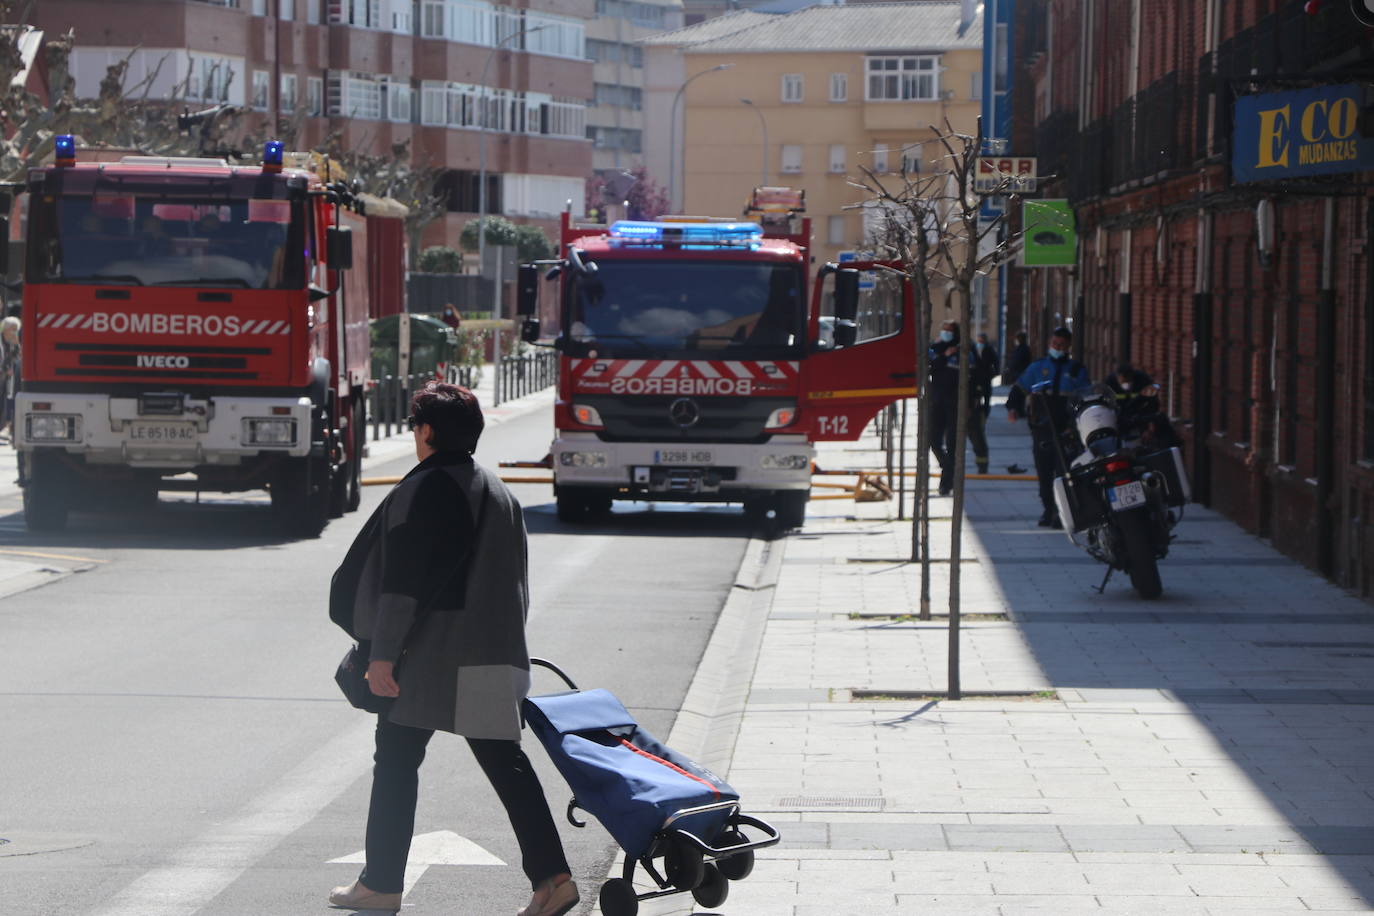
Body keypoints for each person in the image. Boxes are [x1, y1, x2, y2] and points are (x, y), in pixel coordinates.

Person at [328, 382, 578, 916]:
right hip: (489, 652)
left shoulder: (428, 489)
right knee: (505, 763)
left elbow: (404, 582)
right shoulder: (496, 489)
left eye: (416, 426)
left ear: (426, 431)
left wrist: (381, 654)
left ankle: (381, 884)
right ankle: (553, 878)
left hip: (430, 657)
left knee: (395, 759)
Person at [1006, 326, 1091, 528]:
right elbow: (1019, 388)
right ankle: (1048, 510)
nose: (1057, 347)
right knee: (1044, 472)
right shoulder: (1038, 367)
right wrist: (1012, 407)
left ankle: (1063, 513)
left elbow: (1085, 397)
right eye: (1054, 344)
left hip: (1067, 428)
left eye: (1061, 345)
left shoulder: (1077, 370)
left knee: (1064, 472)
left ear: (1068, 346)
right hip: (1042, 426)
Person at [927, 320, 984, 495]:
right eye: (944, 330)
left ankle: (946, 482)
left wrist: (973, 402)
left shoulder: (966, 350)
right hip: (937, 402)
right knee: (933, 441)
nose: (946, 333)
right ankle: (948, 468)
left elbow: (975, 378)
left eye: (949, 331)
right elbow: (931, 369)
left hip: (957, 403)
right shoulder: (936, 348)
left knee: (952, 444)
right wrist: (944, 355)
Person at [970, 333, 1000, 474]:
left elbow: (996, 362)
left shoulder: (988, 350)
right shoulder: (973, 350)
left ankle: (983, 465)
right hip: (969, 396)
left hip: (984, 383)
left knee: (977, 434)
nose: (980, 342)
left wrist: (993, 374)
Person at [0, 317, 19, 439]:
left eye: (16, 330)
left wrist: (17, 344)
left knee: (3, 404)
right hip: (2, 376)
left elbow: (19, 358)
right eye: (13, 330)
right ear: (5, 329)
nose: (15, 333)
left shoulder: (11, 342)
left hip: (5, 380)